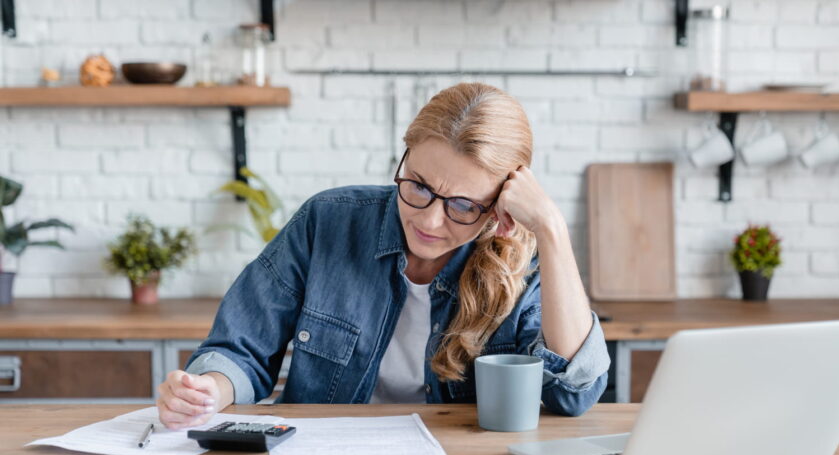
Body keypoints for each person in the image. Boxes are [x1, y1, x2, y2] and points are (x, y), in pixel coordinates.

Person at [157, 82, 610, 430]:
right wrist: (207, 391)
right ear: (405, 156)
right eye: (418, 186)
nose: (430, 222)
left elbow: (574, 394)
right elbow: (241, 348)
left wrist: (551, 228)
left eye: (463, 206)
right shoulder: (327, 221)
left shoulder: (521, 262)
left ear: (499, 209)